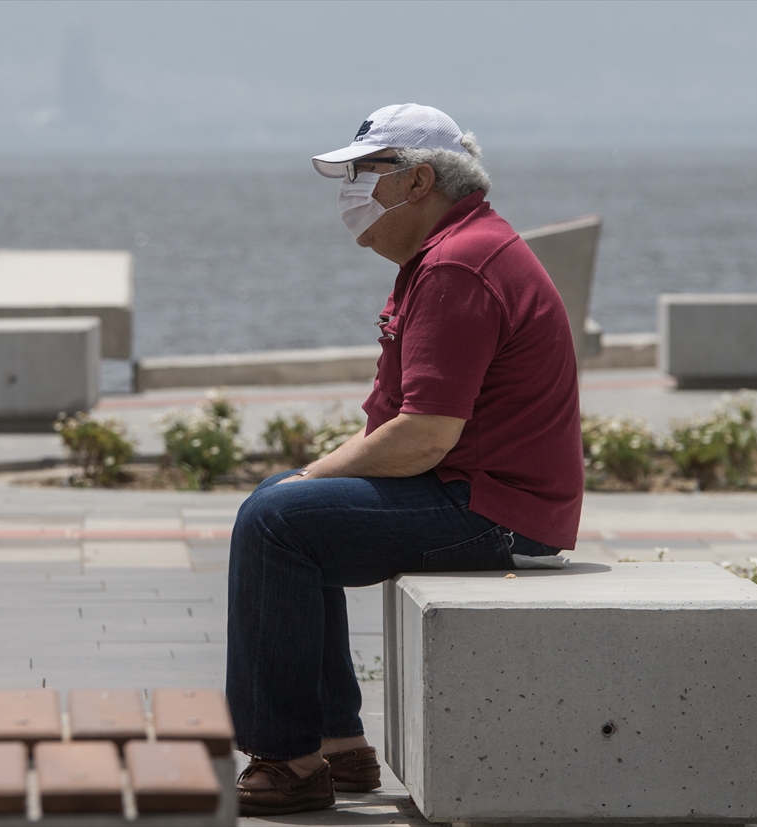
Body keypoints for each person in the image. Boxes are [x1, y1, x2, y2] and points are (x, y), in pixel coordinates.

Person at [227, 103, 584, 816]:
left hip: (494, 509)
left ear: (419, 180)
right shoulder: (455, 252)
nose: (350, 189)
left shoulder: (457, 266)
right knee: (283, 502)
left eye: (365, 171)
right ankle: (336, 742)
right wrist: (304, 482)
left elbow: (425, 435)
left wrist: (308, 481)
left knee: (276, 521)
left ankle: (288, 762)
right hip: (489, 496)